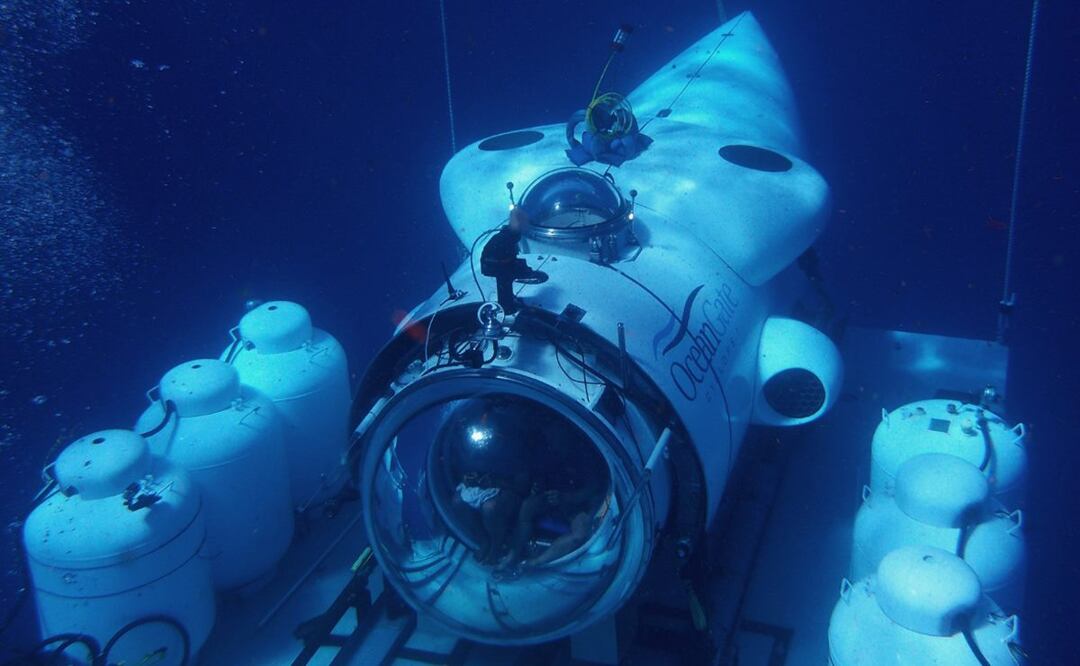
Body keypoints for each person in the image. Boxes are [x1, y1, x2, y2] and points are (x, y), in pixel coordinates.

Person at [480, 207, 546, 315]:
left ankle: (507, 304)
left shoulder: (508, 235)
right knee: (505, 278)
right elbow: (505, 260)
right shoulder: (508, 238)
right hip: (494, 265)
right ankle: (507, 308)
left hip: (496, 263)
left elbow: (507, 257)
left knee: (507, 276)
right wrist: (523, 269)